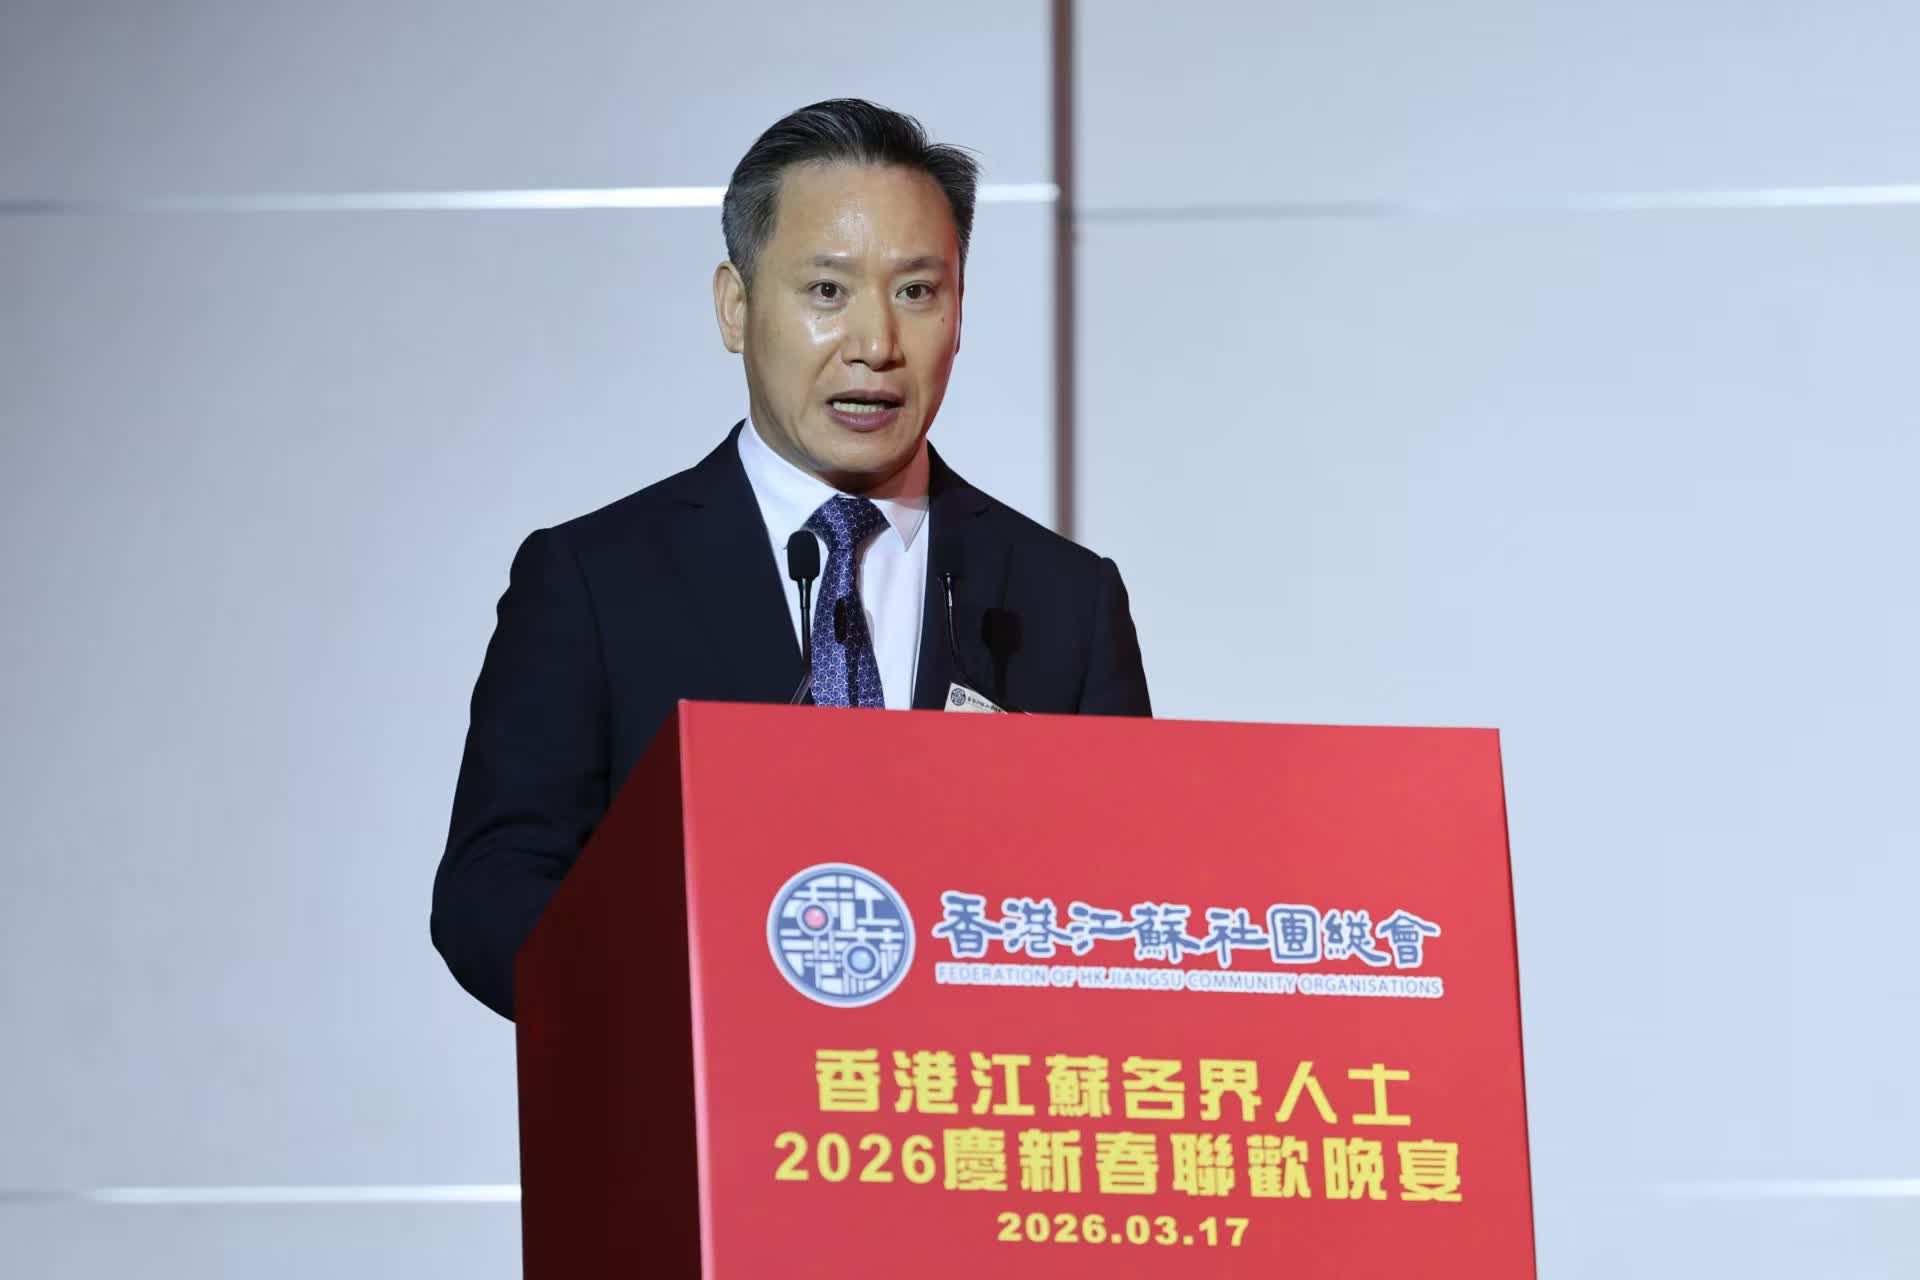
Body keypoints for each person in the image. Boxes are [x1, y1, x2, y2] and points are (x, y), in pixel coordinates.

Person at [432, 99, 1150, 1019]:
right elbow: (493, 890)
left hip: (960, 1094)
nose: (876, 346)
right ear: (735, 307)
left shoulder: (1065, 599)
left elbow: (1127, 902)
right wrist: (691, 1008)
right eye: (826, 291)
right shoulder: (593, 580)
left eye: (917, 292)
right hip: (698, 1086)